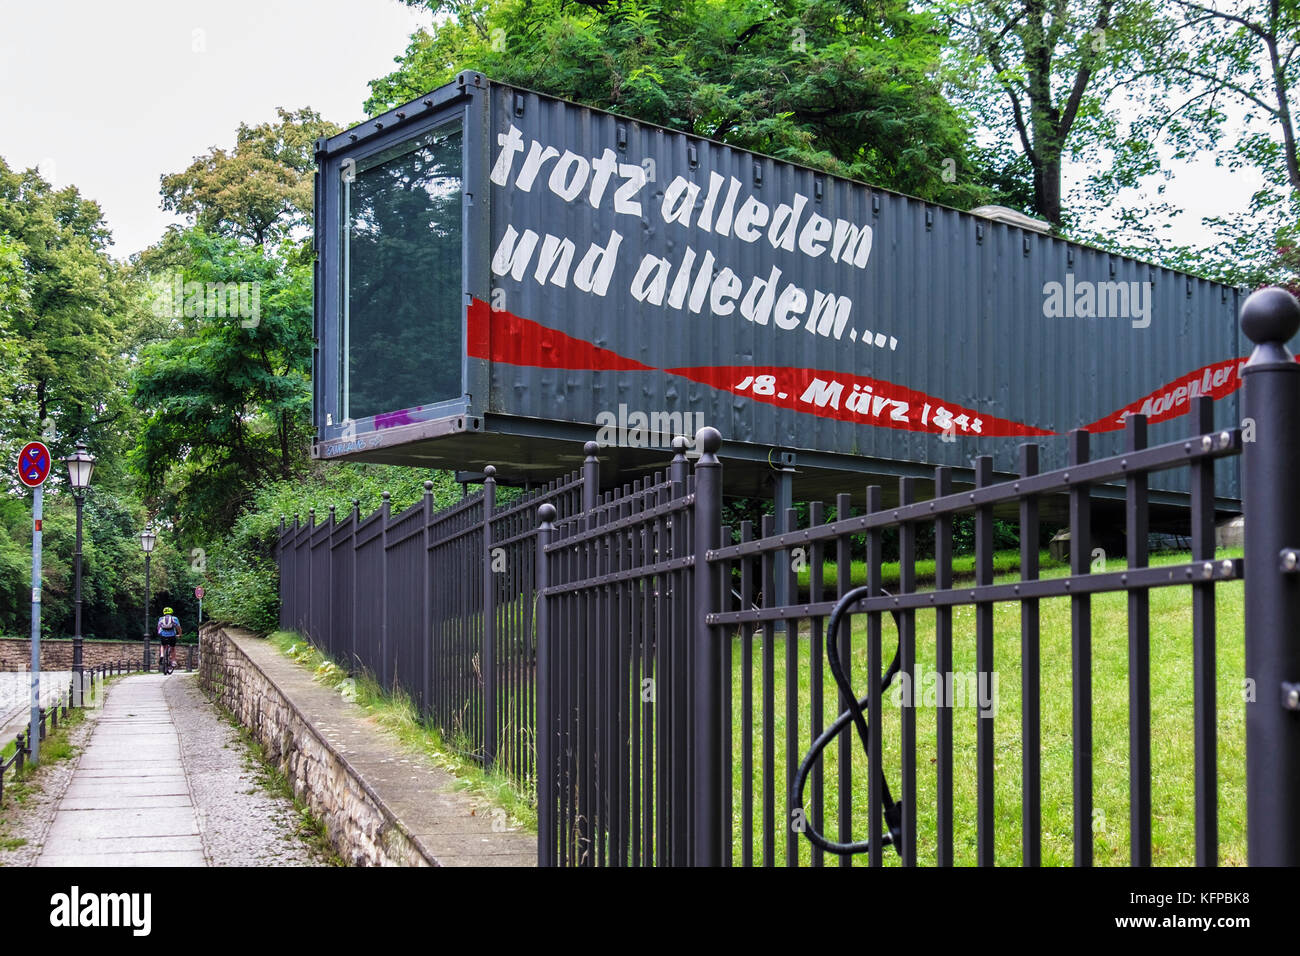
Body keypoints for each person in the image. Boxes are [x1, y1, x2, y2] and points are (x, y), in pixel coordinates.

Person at [156, 607, 182, 671]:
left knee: (162, 645)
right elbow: (178, 627)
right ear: (171, 612)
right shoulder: (174, 618)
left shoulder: (161, 618)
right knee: (172, 648)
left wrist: (160, 634)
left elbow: (158, 627)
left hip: (163, 635)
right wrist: (180, 634)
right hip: (172, 636)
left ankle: (162, 655)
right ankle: (173, 661)